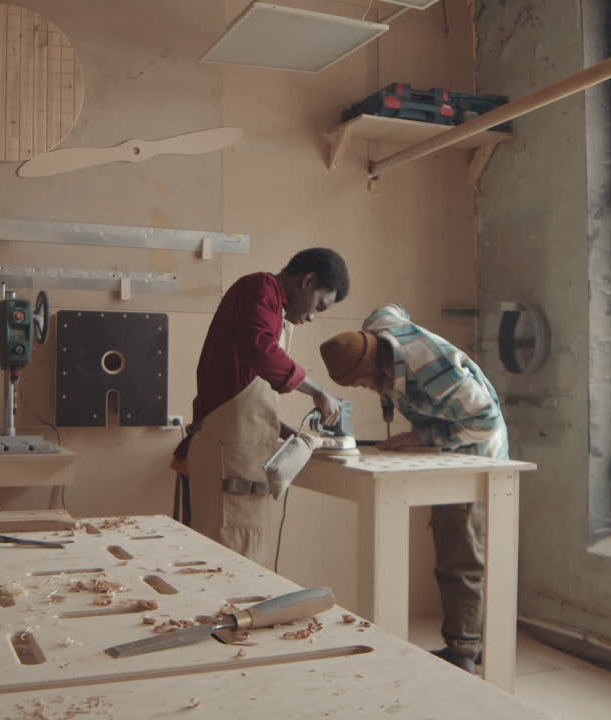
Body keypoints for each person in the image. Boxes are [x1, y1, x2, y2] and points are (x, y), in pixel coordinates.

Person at [319, 304, 508, 674]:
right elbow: (389, 309)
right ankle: (472, 637)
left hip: (475, 451)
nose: (363, 389)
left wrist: (421, 435)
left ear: (379, 368)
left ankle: (464, 651)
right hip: (445, 447)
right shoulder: (379, 328)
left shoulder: (433, 371)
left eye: (362, 382)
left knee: (460, 552)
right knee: (452, 543)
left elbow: (486, 421)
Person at [174, 248, 349, 567]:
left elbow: (243, 396)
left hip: (240, 455)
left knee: (245, 557)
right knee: (225, 562)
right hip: (225, 456)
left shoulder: (275, 312)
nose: (312, 317)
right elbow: (262, 353)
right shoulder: (260, 288)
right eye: (318, 306)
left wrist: (285, 431)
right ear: (308, 281)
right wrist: (319, 391)